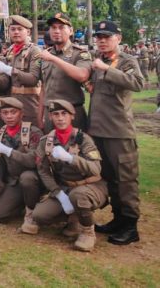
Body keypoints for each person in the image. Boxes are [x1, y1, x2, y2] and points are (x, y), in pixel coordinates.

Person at [88, 20, 144, 245]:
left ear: (118, 38)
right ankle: (118, 219)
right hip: (99, 130)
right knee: (110, 178)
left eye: (106, 37)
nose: (101, 41)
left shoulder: (126, 61)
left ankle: (131, 226)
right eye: (99, 37)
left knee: (126, 180)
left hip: (119, 132)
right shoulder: (98, 61)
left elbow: (137, 83)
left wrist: (107, 70)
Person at [31, 99, 107, 252]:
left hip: (91, 185)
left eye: (64, 114)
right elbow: (43, 170)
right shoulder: (47, 141)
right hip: (66, 187)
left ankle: (88, 232)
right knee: (39, 215)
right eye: (55, 114)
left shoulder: (84, 139)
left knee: (79, 196)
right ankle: (74, 218)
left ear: (72, 116)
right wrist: (58, 193)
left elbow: (95, 168)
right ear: (50, 117)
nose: (60, 118)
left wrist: (71, 158)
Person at [0, 97, 43, 232]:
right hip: (15, 181)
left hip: (35, 181)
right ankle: (20, 203)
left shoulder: (33, 133)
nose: (9, 116)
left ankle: (31, 213)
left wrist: (9, 151)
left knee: (27, 178)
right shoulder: (1, 134)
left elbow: (33, 161)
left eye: (13, 112)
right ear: (1, 115)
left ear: (21, 114)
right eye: (5, 113)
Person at [38, 13, 91, 130]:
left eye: (61, 27)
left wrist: (54, 59)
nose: (56, 31)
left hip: (71, 114)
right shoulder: (46, 54)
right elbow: (43, 88)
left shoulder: (79, 53)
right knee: (49, 147)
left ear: (71, 31)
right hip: (50, 114)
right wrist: (40, 116)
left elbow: (82, 75)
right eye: (53, 28)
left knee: (74, 147)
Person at [0, 15, 42, 125]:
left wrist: (9, 70)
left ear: (28, 32)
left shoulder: (34, 51)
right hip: (12, 106)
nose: (16, 32)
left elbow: (33, 79)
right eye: (13, 29)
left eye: (20, 29)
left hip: (29, 106)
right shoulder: (10, 51)